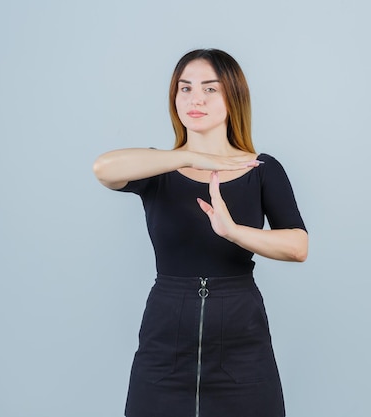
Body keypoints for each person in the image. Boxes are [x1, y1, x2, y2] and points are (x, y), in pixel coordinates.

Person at [93, 48, 308, 417]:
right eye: (185, 88)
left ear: (233, 97)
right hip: (165, 342)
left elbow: (298, 245)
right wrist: (188, 156)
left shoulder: (261, 169)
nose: (195, 99)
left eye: (210, 89)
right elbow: (104, 168)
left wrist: (234, 231)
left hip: (242, 341)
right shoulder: (157, 168)